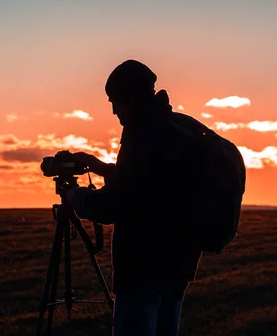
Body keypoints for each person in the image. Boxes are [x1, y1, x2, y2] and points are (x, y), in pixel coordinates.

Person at [62, 59, 203, 336]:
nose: (113, 110)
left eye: (115, 101)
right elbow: (147, 186)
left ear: (131, 98)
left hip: (142, 269)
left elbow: (114, 205)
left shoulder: (141, 135)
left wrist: (74, 196)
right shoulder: (175, 128)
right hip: (177, 265)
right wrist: (101, 167)